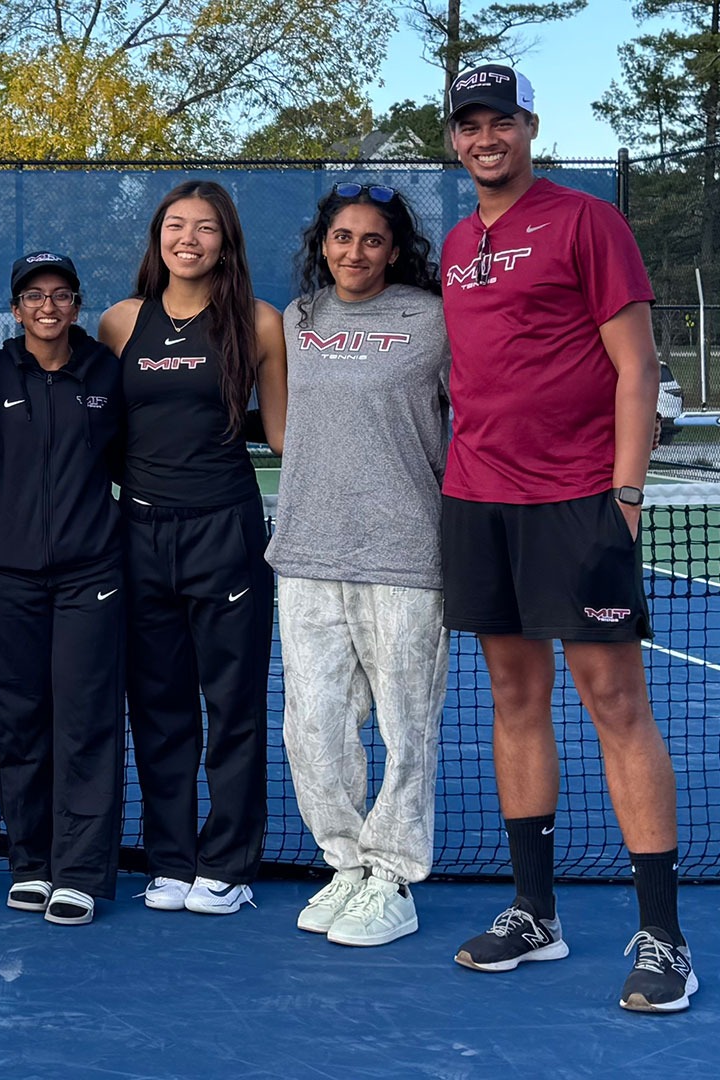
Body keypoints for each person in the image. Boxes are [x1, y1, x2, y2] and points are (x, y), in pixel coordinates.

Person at [438, 64, 693, 1011]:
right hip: (477, 500)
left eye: (498, 120)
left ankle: (663, 937)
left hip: (578, 500)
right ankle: (534, 914)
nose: (483, 138)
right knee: (512, 695)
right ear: (456, 141)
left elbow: (637, 367)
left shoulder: (590, 222)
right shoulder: (459, 241)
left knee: (614, 700)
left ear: (529, 126)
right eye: (468, 126)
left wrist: (624, 495)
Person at [98, 180, 287, 916]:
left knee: (232, 705)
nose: (189, 238)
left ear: (225, 241)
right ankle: (170, 858)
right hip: (139, 535)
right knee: (158, 705)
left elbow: (283, 437)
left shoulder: (260, 323)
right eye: (176, 225)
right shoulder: (120, 322)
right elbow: (98, 428)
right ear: (158, 238)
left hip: (227, 532)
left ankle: (229, 863)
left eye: (205, 228)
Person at [270, 183, 450, 947]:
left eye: (372, 240)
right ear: (322, 245)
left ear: (396, 250)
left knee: (408, 728)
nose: (354, 252)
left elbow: (471, 417)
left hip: (405, 553)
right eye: (341, 238)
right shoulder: (298, 318)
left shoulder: (435, 319)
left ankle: (393, 877)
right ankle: (345, 865)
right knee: (312, 726)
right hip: (306, 551)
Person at [0, 252, 126, 926]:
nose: (48, 307)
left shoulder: (105, 372)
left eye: (61, 295)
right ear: (15, 309)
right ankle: (31, 863)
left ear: (77, 305)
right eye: (34, 296)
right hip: (6, 578)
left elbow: (134, 458)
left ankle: (80, 872)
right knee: (19, 722)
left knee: (85, 722)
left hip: (89, 576)